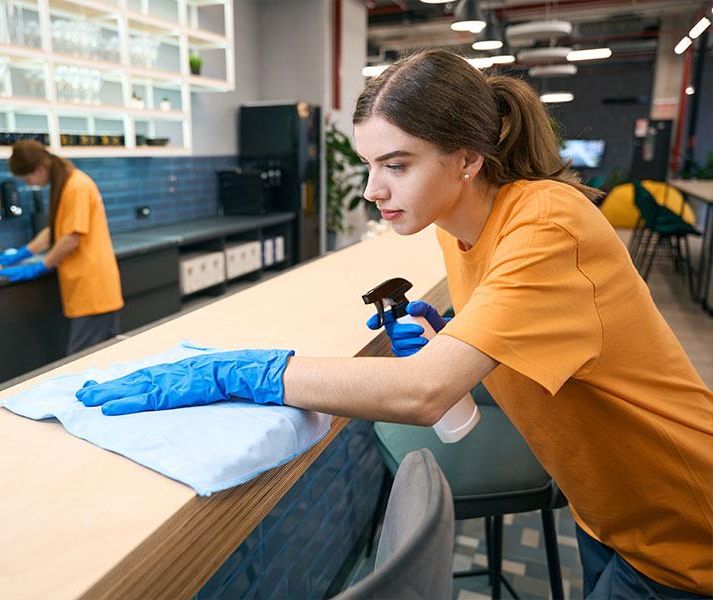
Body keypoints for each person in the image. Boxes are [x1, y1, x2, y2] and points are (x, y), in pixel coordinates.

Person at [72, 50, 713, 598]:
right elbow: (536, 335)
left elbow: (420, 393)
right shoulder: (464, 226)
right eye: (371, 164)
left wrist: (245, 372)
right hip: (610, 511)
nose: (373, 189)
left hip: (683, 523)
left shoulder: (547, 224)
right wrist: (458, 331)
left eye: (397, 165)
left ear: (466, 159)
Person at [0, 141, 125, 355]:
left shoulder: (76, 186)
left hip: (92, 289)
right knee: (97, 359)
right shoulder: (65, 184)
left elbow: (72, 238)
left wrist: (40, 266)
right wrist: (22, 253)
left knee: (83, 361)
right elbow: (55, 231)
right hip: (85, 289)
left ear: (40, 169)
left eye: (28, 178)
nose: (29, 184)